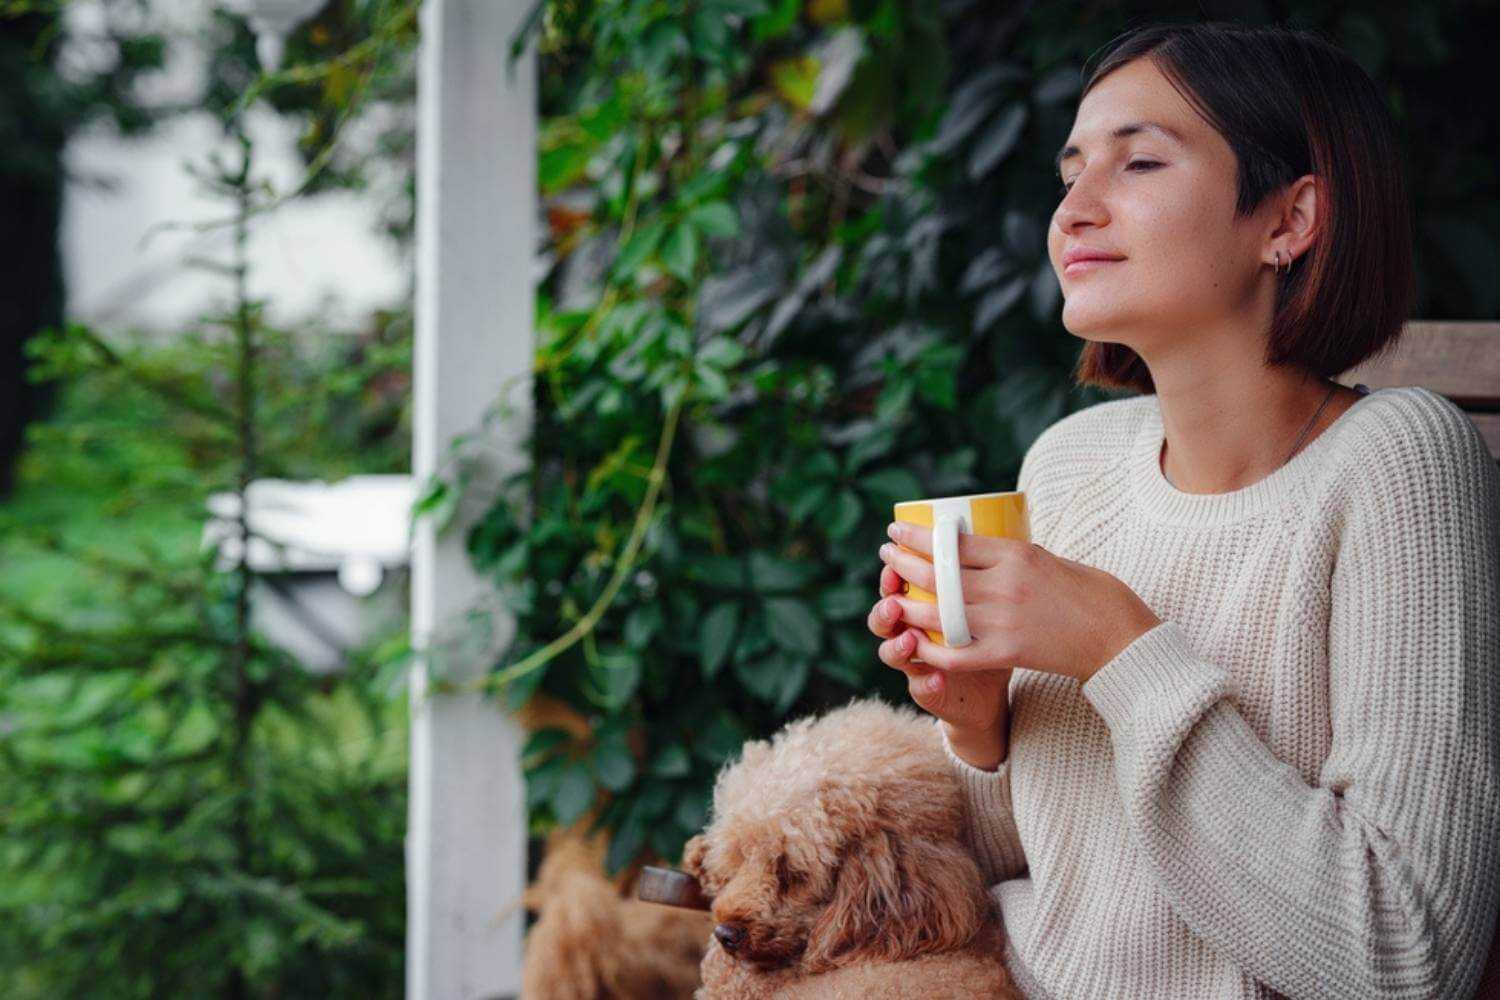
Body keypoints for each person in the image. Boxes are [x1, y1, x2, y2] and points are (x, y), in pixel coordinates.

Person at [867, 20, 1500, 1000]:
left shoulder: (1399, 464)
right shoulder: (1070, 465)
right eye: (1070, 170)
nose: (1073, 210)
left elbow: (1404, 956)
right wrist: (978, 725)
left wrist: (1119, 643)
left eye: (1140, 163)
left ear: (1289, 220)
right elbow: (1045, 860)